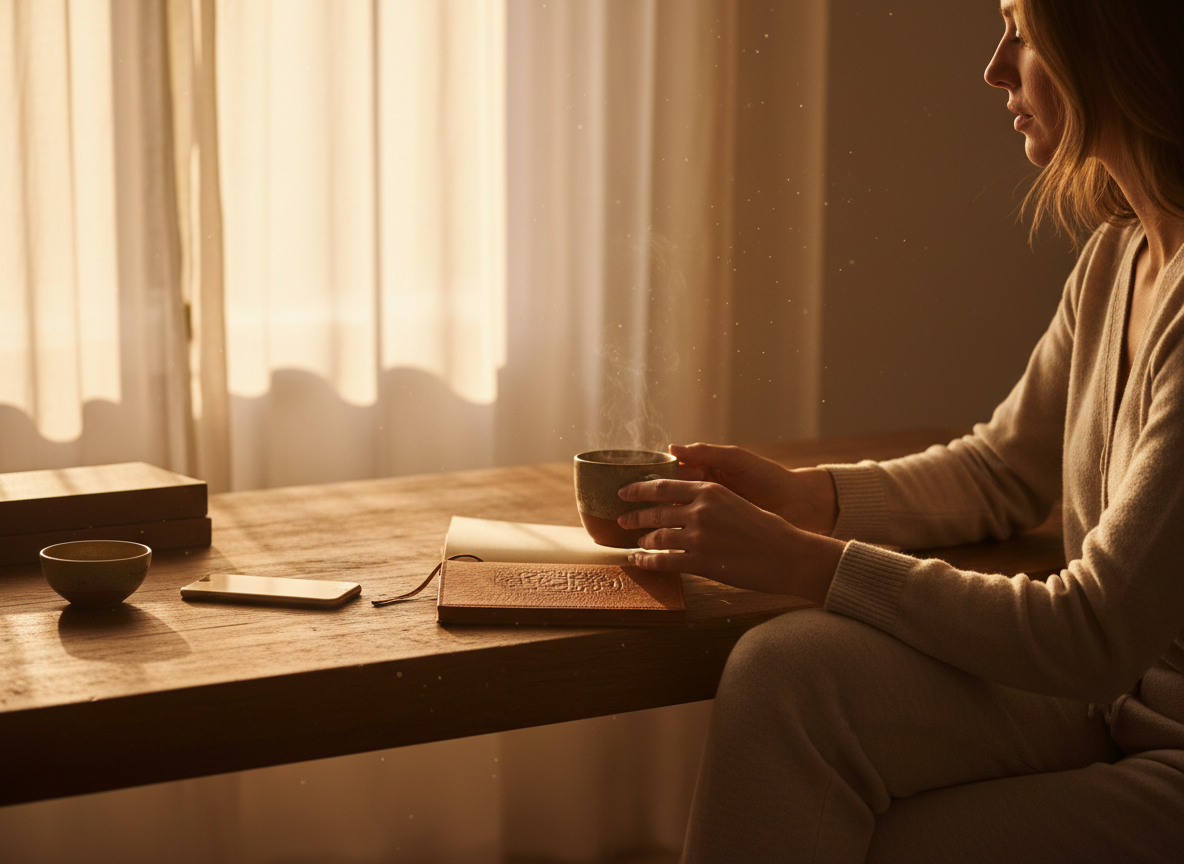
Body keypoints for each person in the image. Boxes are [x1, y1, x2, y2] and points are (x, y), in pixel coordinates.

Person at [617, 1, 1184, 860]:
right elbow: (1002, 471)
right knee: (784, 674)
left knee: (867, 840)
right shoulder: (1120, 253)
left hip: (1163, 754)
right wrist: (807, 499)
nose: (995, 69)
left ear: (1115, 43)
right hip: (1111, 706)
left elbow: (1090, 633)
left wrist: (798, 559)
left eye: (1023, 33)